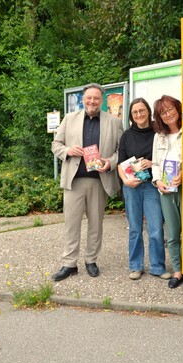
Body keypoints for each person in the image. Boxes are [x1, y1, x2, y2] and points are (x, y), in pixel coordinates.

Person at [50, 83, 124, 281]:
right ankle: (69, 264)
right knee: (71, 224)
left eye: (96, 98)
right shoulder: (69, 119)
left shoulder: (114, 122)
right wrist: (67, 151)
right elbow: (55, 145)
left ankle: (91, 260)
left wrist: (109, 162)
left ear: (102, 100)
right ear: (83, 99)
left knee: (96, 224)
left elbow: (121, 151)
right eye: (89, 98)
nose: (92, 101)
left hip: (99, 181)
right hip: (74, 181)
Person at [118, 98, 171, 281]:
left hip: (151, 185)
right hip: (132, 186)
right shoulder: (126, 135)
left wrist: (152, 162)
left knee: (156, 228)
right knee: (135, 229)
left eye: (142, 111)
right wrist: (125, 181)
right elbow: (120, 162)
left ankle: (157, 267)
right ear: (131, 116)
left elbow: (165, 157)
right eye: (135, 112)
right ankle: (136, 266)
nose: (139, 115)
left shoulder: (159, 131)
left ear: (148, 111)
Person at [151, 95, 183, 289]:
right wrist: (157, 180)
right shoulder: (158, 136)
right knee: (172, 233)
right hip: (166, 190)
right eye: (163, 112)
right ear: (159, 117)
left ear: (178, 109)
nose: (168, 114)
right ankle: (178, 271)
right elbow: (154, 163)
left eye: (170, 109)